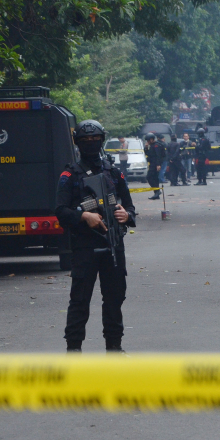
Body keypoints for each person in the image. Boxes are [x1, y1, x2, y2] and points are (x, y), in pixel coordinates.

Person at [55, 120, 136, 352]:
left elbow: (129, 206)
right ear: (77, 143)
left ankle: (114, 347)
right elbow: (60, 210)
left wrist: (125, 214)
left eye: (95, 139)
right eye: (85, 140)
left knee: (114, 298)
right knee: (80, 300)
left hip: (112, 244)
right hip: (85, 247)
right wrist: (83, 217)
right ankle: (74, 350)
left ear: (102, 140)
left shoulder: (113, 172)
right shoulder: (69, 175)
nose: (91, 144)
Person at [144, 132, 165, 200]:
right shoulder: (152, 145)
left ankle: (157, 191)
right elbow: (148, 154)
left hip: (155, 164)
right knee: (155, 179)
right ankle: (156, 193)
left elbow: (158, 156)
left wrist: (158, 165)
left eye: (148, 140)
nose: (147, 142)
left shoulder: (156, 145)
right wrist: (146, 148)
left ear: (151, 139)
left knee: (149, 177)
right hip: (152, 163)